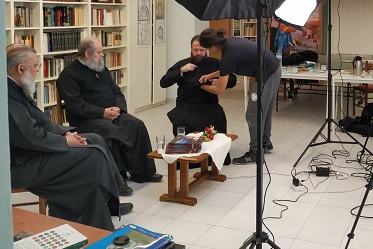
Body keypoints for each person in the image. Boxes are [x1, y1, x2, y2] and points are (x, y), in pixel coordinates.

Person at [7, 44, 132, 230]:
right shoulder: (7, 94)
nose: (38, 70)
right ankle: (98, 222)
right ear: (21, 68)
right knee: (93, 155)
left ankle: (108, 202)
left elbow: (42, 122)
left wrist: (64, 133)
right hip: (21, 163)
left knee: (95, 139)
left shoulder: (16, 87)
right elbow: (29, 135)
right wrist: (65, 141)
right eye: (36, 65)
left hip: (33, 151)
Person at [57, 37, 162, 190]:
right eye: (99, 52)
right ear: (87, 54)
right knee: (109, 131)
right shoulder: (69, 74)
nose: (103, 55)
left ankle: (143, 172)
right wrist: (102, 113)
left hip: (111, 113)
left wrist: (118, 108)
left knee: (137, 124)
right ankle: (117, 179)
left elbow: (117, 92)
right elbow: (76, 105)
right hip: (86, 119)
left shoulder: (102, 69)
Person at [199, 28, 281, 165]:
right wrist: (211, 76)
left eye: (207, 49)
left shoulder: (228, 55)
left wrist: (201, 86)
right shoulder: (230, 42)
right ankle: (264, 142)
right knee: (263, 109)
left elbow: (220, 90)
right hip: (273, 68)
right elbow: (226, 69)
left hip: (267, 74)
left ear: (212, 46)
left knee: (253, 114)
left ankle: (255, 152)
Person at [160, 35, 237, 165]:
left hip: (209, 104)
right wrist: (181, 71)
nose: (199, 53)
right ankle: (186, 157)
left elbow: (233, 79)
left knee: (218, 117)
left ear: (207, 49)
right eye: (195, 50)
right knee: (181, 120)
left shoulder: (215, 63)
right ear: (191, 49)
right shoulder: (183, 64)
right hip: (186, 104)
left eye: (202, 50)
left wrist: (220, 80)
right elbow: (164, 82)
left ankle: (214, 157)